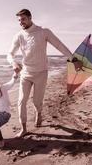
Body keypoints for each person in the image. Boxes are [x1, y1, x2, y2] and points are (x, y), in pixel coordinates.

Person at [7, 9, 83, 138]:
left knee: (37, 101)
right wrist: (13, 63)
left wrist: (73, 59)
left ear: (30, 18)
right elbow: (10, 54)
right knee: (21, 100)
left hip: (41, 73)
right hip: (26, 73)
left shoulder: (43, 32)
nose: (21, 22)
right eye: (19, 20)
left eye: (23, 19)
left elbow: (59, 45)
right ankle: (23, 128)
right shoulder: (19, 36)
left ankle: (39, 112)